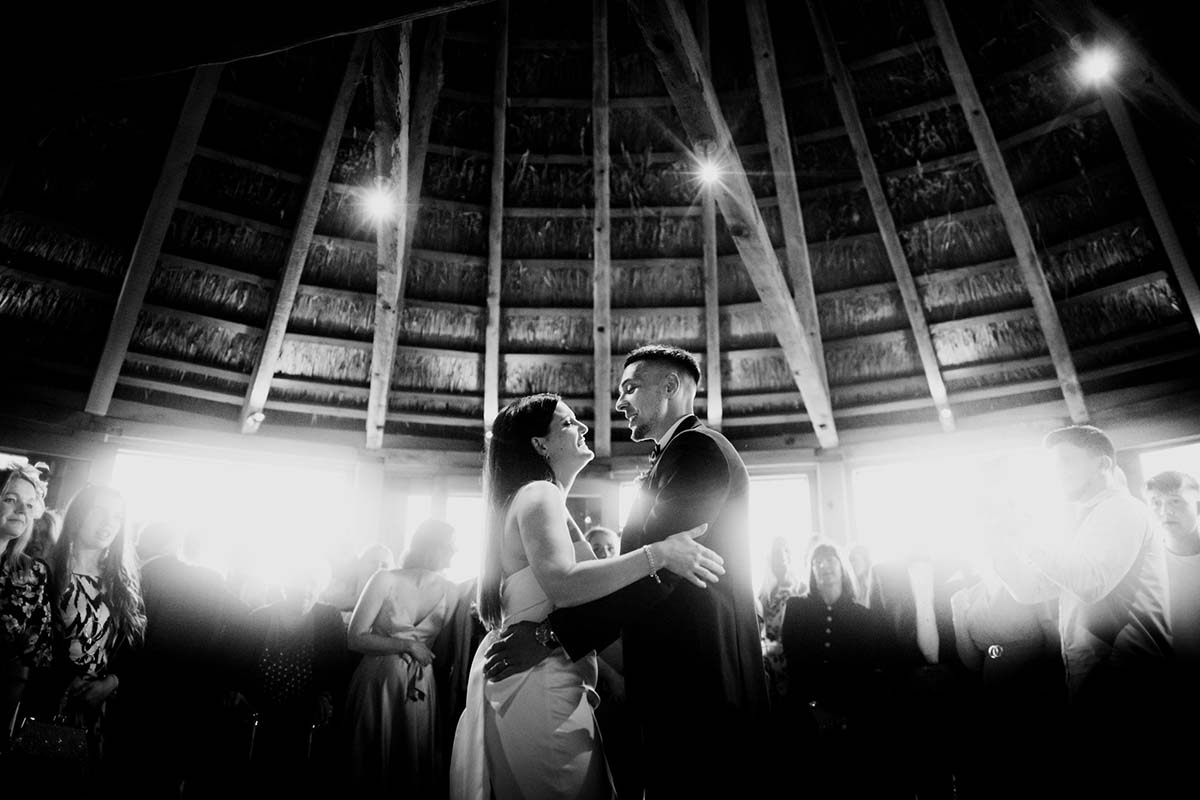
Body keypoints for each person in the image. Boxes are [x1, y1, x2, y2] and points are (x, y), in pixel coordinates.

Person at [480, 345, 769, 799]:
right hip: (670, 675)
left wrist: (548, 636)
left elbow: (664, 572)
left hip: (700, 674)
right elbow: (647, 563)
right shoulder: (671, 456)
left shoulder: (698, 451)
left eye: (630, 388)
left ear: (670, 387)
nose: (618, 404)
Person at [449, 391, 723, 800]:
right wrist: (658, 554)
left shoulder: (541, 498)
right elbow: (564, 581)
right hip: (538, 687)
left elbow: (597, 601)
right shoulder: (539, 494)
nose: (581, 427)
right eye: (567, 423)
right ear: (540, 445)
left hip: (546, 679)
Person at [986, 425, 1172, 795]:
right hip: (1093, 680)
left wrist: (1026, 534)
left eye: (1066, 464)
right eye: (1053, 466)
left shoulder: (1123, 510)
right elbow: (1030, 589)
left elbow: (1090, 582)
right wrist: (998, 541)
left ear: (1102, 464)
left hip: (1131, 685)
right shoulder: (1081, 522)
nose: (1057, 475)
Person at [123, 520, 251, 797]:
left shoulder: (136, 575)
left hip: (141, 691)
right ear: (175, 545)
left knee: (136, 773)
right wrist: (229, 678)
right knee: (174, 773)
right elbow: (244, 619)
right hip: (195, 691)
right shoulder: (208, 579)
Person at [345, 519, 459, 793]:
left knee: (412, 764)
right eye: (451, 547)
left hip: (420, 687)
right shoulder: (384, 579)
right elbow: (355, 637)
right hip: (378, 682)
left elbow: (441, 653)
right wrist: (405, 646)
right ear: (434, 547)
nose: (455, 553)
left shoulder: (452, 591)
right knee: (370, 766)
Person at [45, 485, 146, 768]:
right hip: (50, 701)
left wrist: (110, 683)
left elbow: (134, 649)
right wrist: (66, 680)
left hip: (102, 710)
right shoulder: (47, 571)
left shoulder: (122, 582)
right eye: (99, 511)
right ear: (78, 515)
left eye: (116, 516)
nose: (108, 523)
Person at [780, 542, 891, 795]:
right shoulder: (796, 609)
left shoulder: (863, 617)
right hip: (806, 714)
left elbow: (864, 675)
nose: (823, 565)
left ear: (842, 567)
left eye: (830, 560)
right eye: (816, 561)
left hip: (852, 718)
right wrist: (815, 709)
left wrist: (846, 716)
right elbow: (796, 666)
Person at [950, 561, 1064, 800]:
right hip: (994, 697)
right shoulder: (967, 597)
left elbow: (1054, 644)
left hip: (1033, 696)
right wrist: (958, 617)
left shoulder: (1029, 585)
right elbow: (973, 662)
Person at [244, 556, 347, 794]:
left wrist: (325, 695)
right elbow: (240, 664)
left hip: (306, 710)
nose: (305, 590)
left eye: (312, 583)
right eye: (298, 583)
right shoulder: (258, 618)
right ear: (283, 585)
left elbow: (337, 667)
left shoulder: (328, 618)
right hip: (261, 709)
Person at [1, 462, 53, 744]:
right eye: (11, 500)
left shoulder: (33, 572)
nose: (22, 511)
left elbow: (38, 650)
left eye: (29, 504)